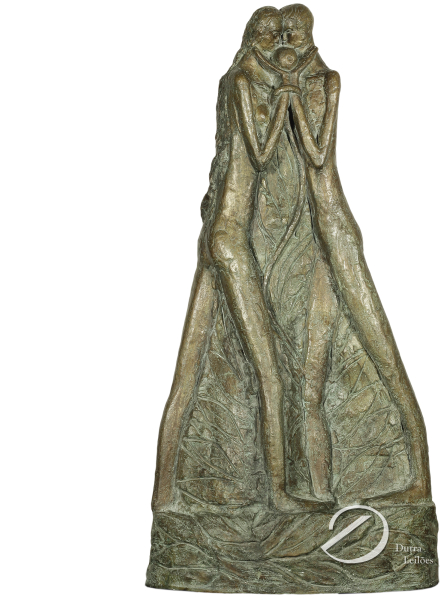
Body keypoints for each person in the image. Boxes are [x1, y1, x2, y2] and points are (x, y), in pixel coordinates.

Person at [153, 6, 324, 513]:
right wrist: (289, 97)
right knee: (271, 374)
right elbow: (263, 155)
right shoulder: (244, 84)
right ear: (251, 39)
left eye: (279, 37)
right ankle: (279, 494)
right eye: (266, 37)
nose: (275, 46)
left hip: (219, 234)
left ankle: (164, 496)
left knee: (187, 373)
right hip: (229, 241)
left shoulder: (237, 82)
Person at [278, 3, 432, 502]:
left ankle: (418, 482)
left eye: (295, 33)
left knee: (386, 357)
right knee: (309, 374)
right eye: (282, 35)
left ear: (309, 34)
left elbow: (318, 154)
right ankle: (319, 494)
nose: (288, 42)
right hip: (313, 244)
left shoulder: (327, 82)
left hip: (337, 234)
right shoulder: (282, 85)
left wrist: (290, 97)